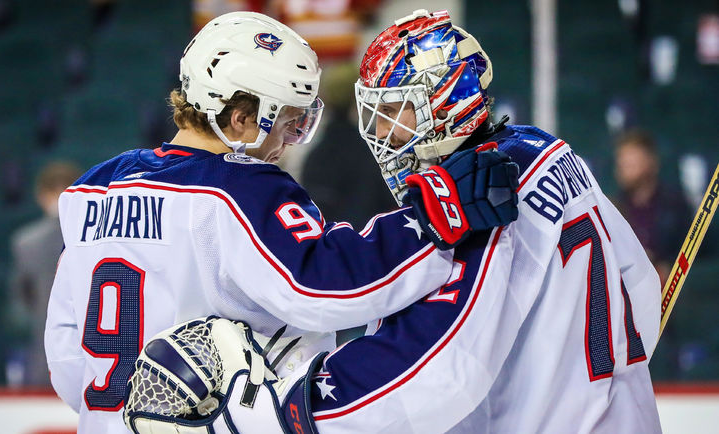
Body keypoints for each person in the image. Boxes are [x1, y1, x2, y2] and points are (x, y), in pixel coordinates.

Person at [125, 9, 663, 434]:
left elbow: (431, 370)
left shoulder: (485, 192)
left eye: (396, 108)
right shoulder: (544, 150)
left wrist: (274, 415)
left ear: (446, 100)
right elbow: (641, 293)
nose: (383, 130)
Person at [44, 11, 518, 434]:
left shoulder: (92, 190)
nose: (290, 142)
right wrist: (437, 214)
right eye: (289, 123)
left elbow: (68, 364)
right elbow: (320, 283)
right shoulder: (238, 186)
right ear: (240, 117)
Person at [8, 160, 82, 386]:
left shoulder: (25, 242)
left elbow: (23, 299)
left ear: (41, 196)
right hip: (90, 355)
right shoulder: (98, 240)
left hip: (46, 353)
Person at [613, 129, 691, 286]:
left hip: (670, 294)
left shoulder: (675, 206)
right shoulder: (613, 208)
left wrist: (666, 266)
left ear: (650, 162)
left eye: (631, 163)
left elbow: (697, 253)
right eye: (622, 164)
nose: (624, 169)